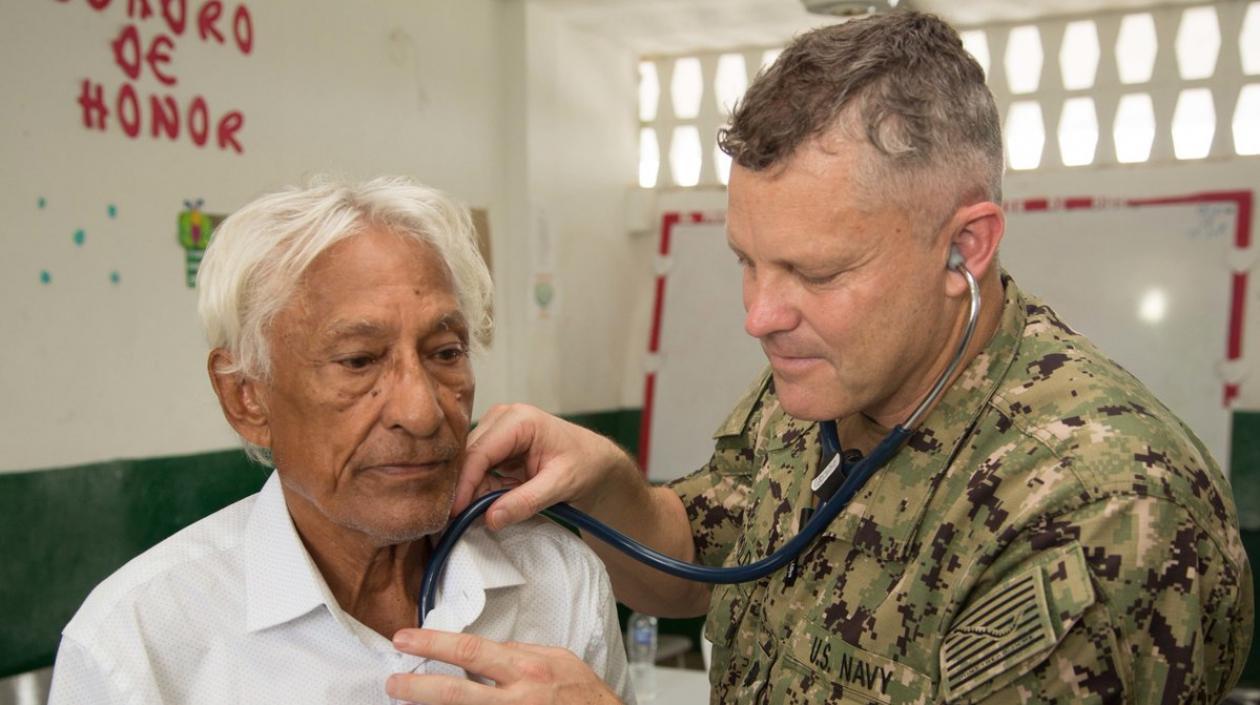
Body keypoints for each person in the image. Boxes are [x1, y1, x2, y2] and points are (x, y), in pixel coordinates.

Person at [386, 11, 1253, 705]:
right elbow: (704, 565)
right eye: (746, 261)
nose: (761, 315)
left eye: (817, 270)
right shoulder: (826, 382)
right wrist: (607, 482)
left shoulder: (1103, 517)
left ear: (966, 249)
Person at [46, 177, 633, 704]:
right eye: (358, 361)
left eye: (447, 353)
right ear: (246, 397)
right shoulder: (140, 642)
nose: (422, 412)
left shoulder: (557, 578)